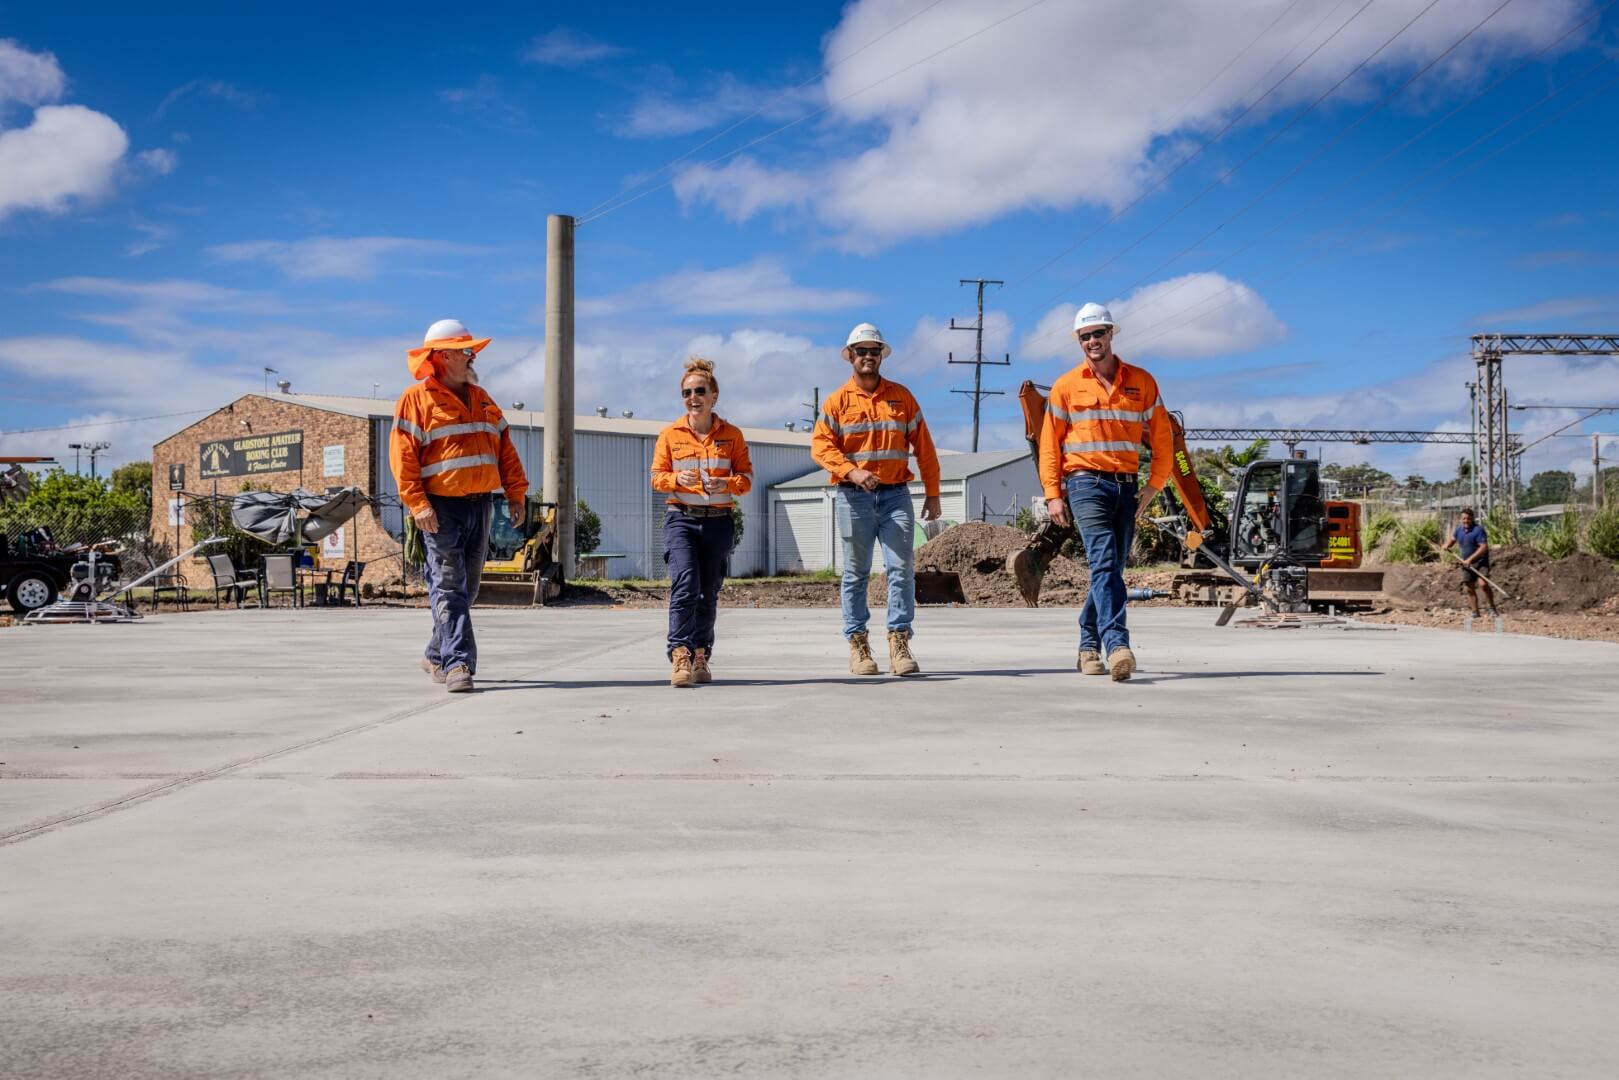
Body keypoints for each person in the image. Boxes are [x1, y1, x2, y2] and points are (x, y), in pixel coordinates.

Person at [1039, 303, 1175, 682]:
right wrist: (1053, 493)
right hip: (1084, 483)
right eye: (1085, 336)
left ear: (1111, 334)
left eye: (1098, 333)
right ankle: (1117, 644)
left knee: (1112, 569)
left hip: (1128, 486)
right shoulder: (1066, 386)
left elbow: (1163, 439)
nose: (1092, 341)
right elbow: (1050, 445)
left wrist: (1154, 485)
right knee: (1103, 564)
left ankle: (1087, 646)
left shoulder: (1143, 382)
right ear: (1078, 341)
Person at [390, 319, 527, 694]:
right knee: (449, 588)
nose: (471, 357)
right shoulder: (415, 401)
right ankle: (457, 664)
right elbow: (403, 460)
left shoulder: (482, 398)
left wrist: (516, 494)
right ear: (442, 356)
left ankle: (436, 653)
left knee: (468, 590)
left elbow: (506, 451)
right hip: (440, 509)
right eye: (465, 351)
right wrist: (418, 505)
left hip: (481, 506)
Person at [811, 322, 941, 677]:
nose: (868, 357)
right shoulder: (837, 402)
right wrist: (851, 471)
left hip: (896, 495)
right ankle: (858, 646)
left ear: (881, 355)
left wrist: (933, 492)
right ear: (850, 356)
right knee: (856, 573)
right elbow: (821, 446)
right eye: (861, 351)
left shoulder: (902, 397)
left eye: (874, 351)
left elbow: (925, 448)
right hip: (854, 498)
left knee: (901, 569)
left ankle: (899, 642)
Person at [650, 358, 753, 687]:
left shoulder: (732, 435)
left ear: (714, 395)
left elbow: (747, 478)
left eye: (699, 391)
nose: (692, 397)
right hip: (681, 518)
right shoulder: (670, 435)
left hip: (719, 522)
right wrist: (678, 477)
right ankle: (679, 653)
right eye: (686, 393)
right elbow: (656, 478)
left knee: (708, 591)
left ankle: (700, 654)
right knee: (686, 584)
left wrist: (728, 484)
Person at [1441, 507, 1498, 617]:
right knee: (1468, 587)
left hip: (1480, 561)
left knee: (1483, 584)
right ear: (1461, 519)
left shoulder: (1478, 530)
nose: (1466, 521)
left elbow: (1483, 548)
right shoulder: (1459, 529)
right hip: (1466, 563)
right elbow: (1453, 539)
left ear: (1472, 519)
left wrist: (1470, 560)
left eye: (1468, 518)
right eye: (1463, 519)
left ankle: (1492, 608)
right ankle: (1475, 612)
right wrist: (1447, 545)